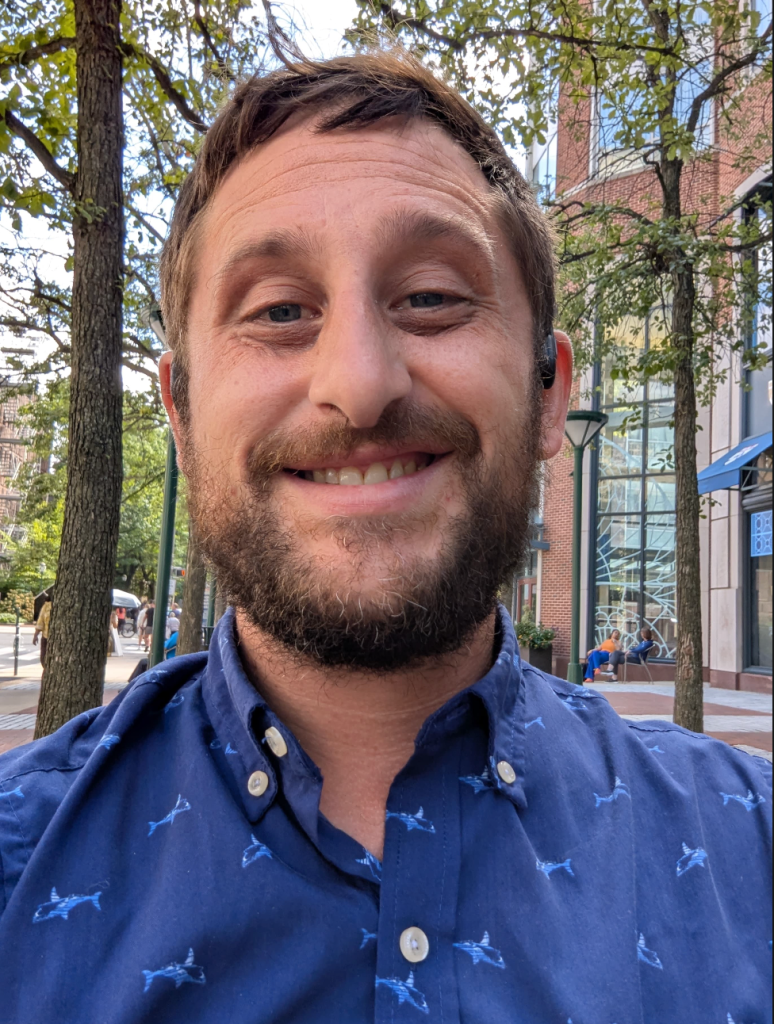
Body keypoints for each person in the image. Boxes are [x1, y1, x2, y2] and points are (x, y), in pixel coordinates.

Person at [0, 51, 769, 1024]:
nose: (360, 383)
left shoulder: (752, 853)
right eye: (280, 311)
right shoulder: (16, 865)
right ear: (182, 418)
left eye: (432, 297)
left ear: (549, 394)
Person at [31, 593, 52, 667]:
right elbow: (40, 621)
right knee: (43, 659)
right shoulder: (46, 606)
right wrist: (35, 635)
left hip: (55, 639)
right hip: (46, 638)